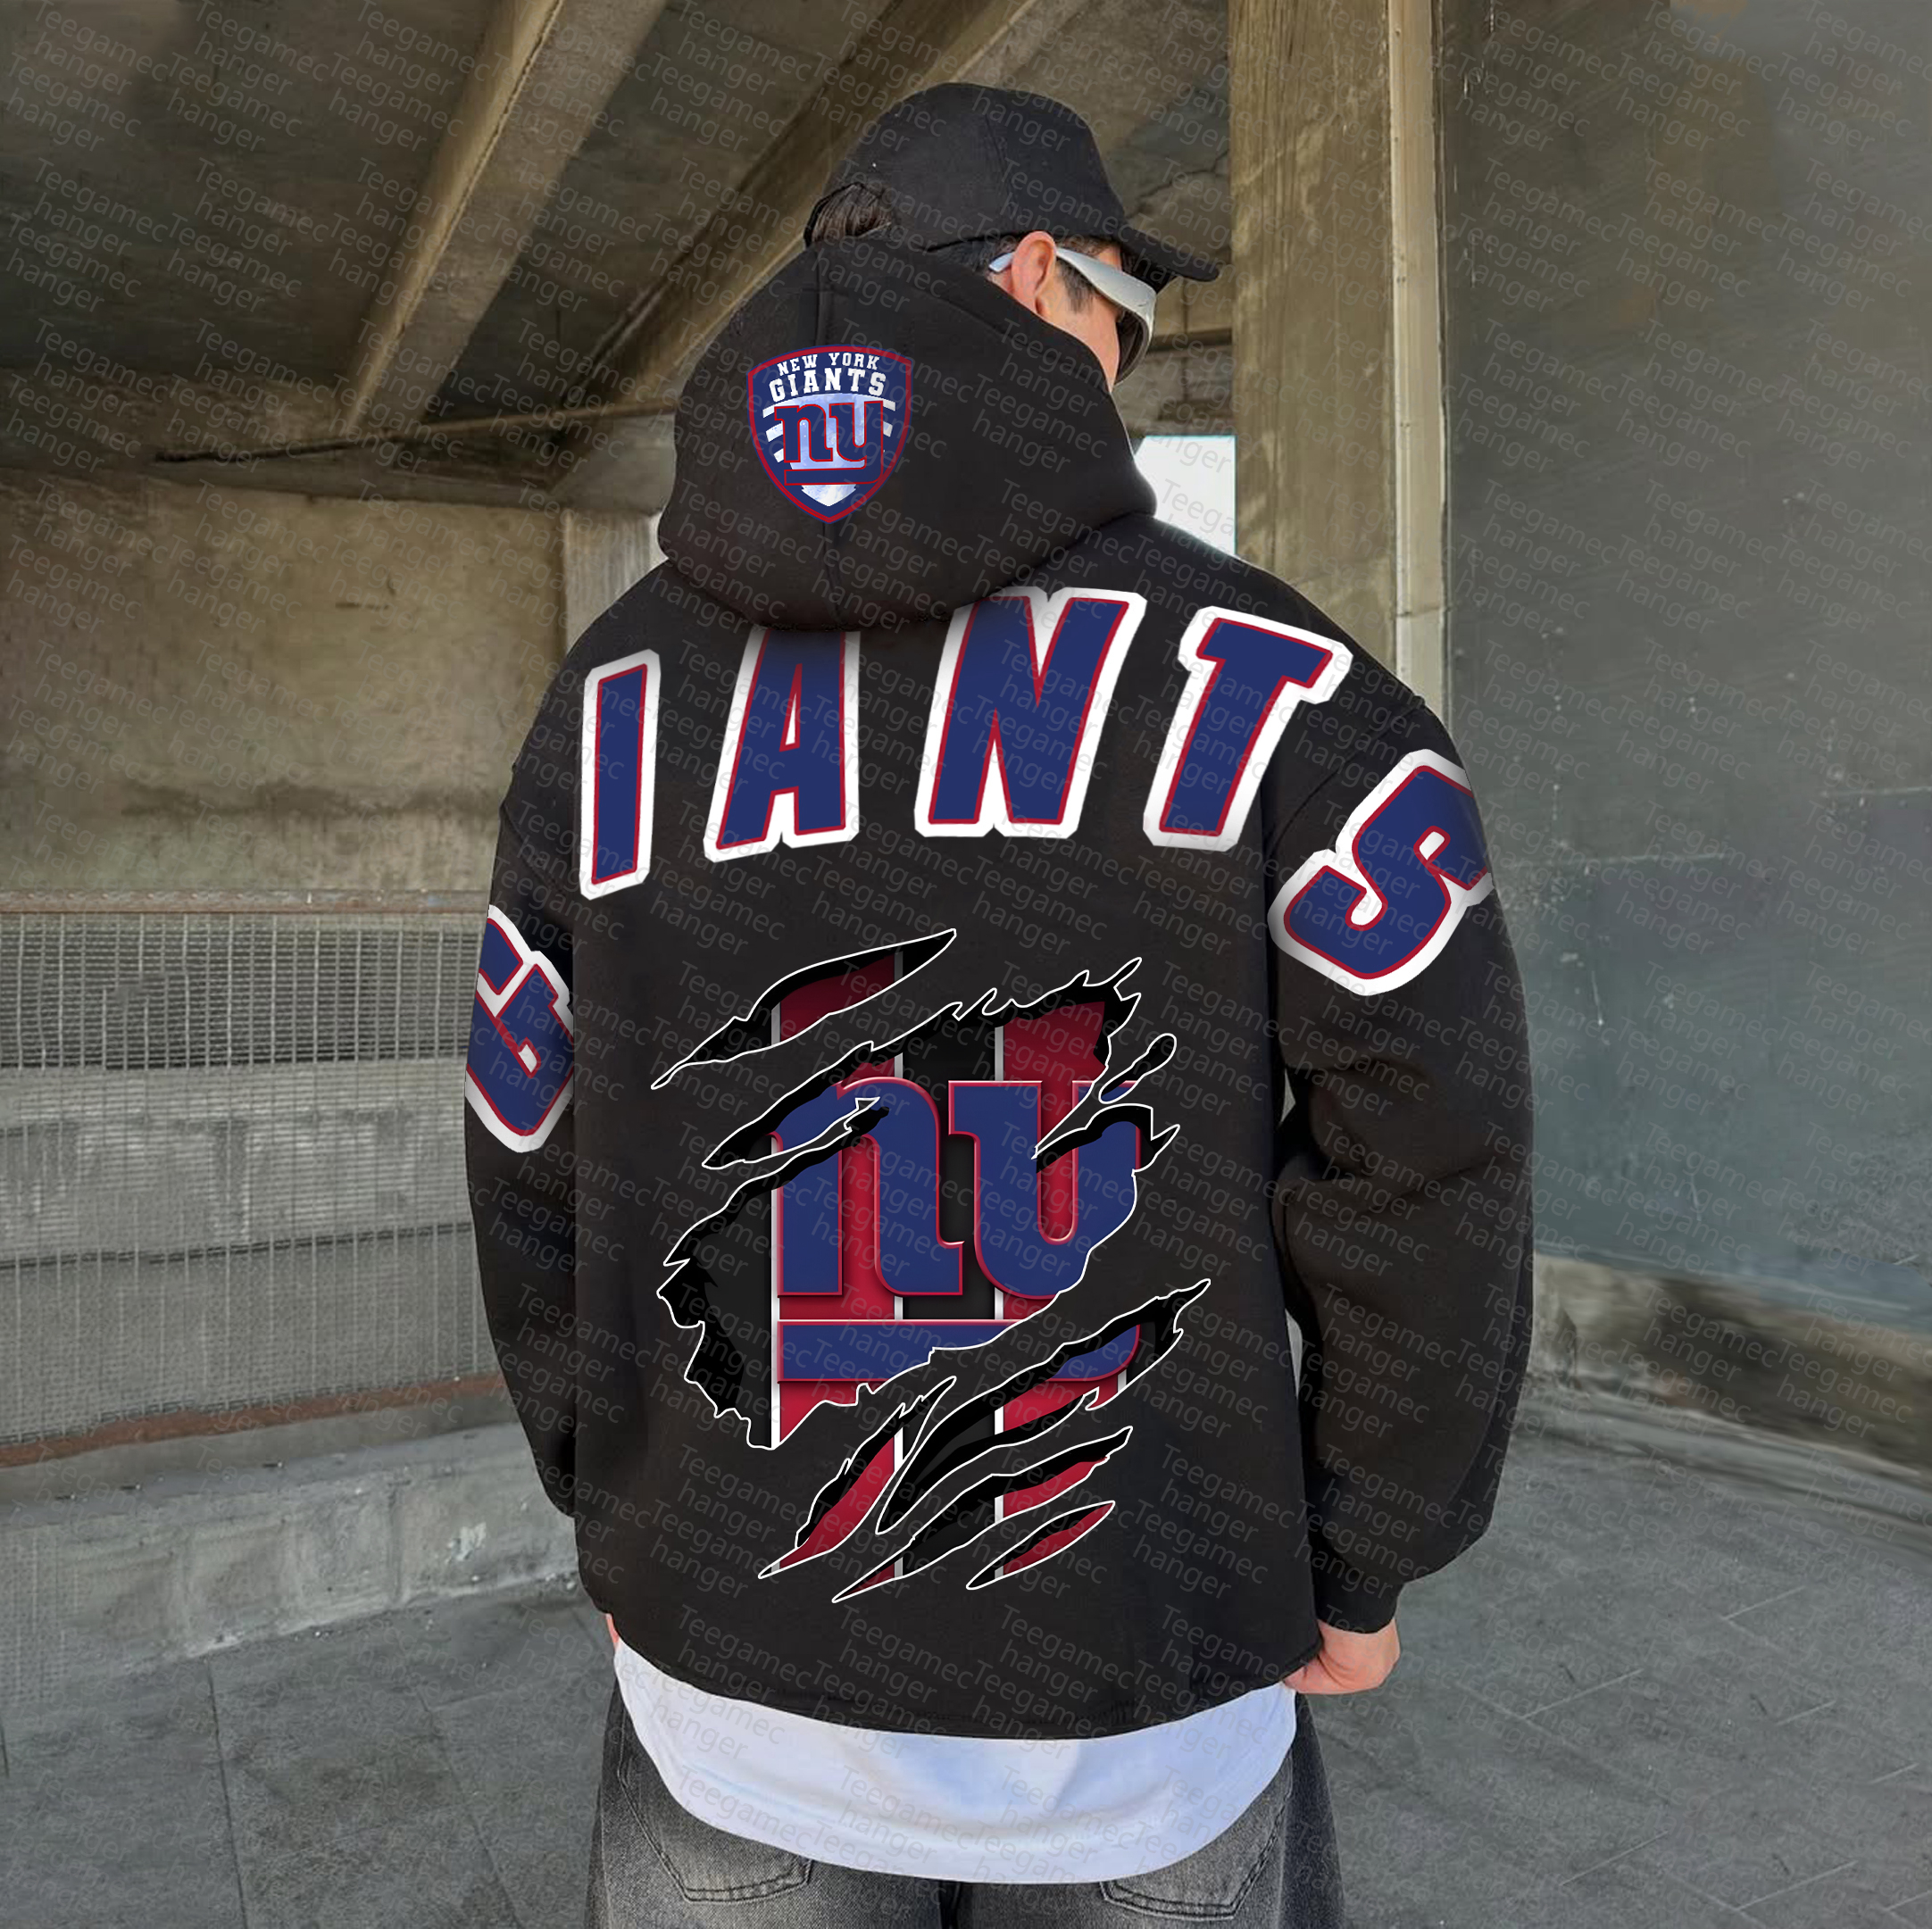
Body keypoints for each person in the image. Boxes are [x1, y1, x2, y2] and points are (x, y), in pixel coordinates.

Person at [463, 83, 1533, 1929]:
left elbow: (529, 1132)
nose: (1127, 352)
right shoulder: (1287, 686)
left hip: (728, 1680)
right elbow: (1424, 1152)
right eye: (1127, 305)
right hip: (1148, 1694)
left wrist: (604, 1495)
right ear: (1042, 278)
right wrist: (1367, 1547)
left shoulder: (607, 704)